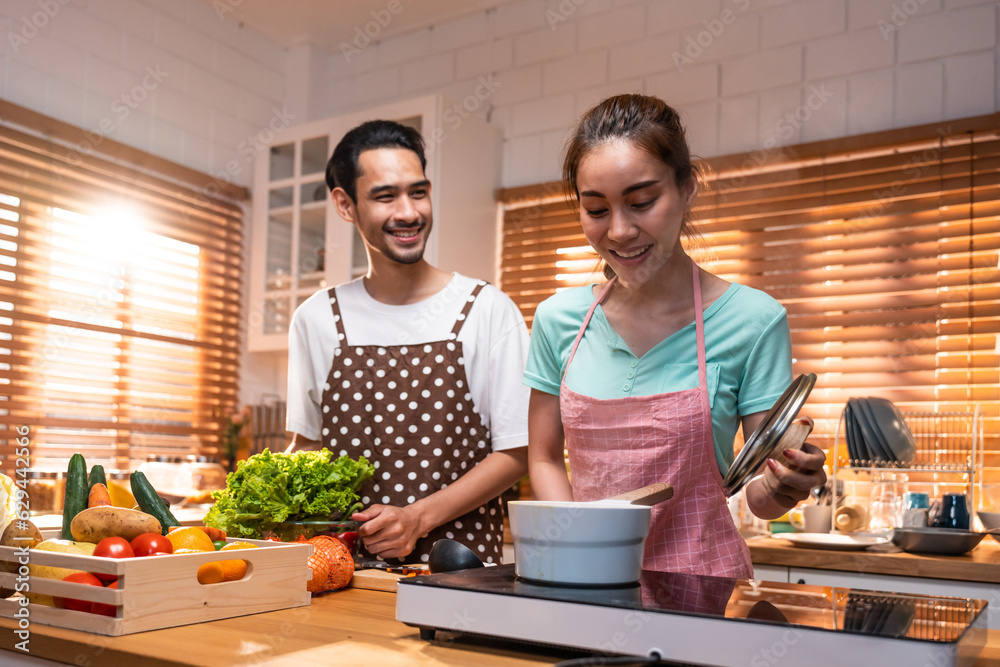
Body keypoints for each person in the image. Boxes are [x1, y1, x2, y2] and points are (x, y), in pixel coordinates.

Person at [524, 94, 827, 578]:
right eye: (597, 209)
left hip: (701, 587)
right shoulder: (557, 319)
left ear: (687, 189)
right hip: (584, 581)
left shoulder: (753, 320)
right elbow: (542, 456)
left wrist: (787, 483)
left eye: (642, 202)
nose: (620, 231)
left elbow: (759, 496)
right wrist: (579, 543)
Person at [286, 119, 529, 565]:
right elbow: (308, 450)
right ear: (345, 204)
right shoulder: (316, 319)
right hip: (344, 572)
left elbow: (516, 453)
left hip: (462, 574)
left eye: (418, 192)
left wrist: (417, 518)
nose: (409, 212)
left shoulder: (487, 310)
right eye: (385, 196)